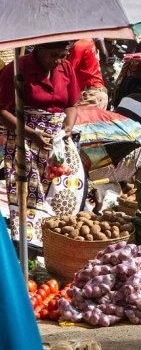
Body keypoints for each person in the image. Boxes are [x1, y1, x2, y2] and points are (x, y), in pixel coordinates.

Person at [0, 42, 87, 250]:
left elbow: (71, 105)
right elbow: (1, 111)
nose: (58, 60)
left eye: (63, 55)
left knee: (66, 187)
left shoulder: (65, 68)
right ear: (38, 49)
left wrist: (68, 126)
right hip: (25, 141)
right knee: (28, 193)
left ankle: (56, 242)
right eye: (53, 55)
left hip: (57, 142)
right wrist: (31, 134)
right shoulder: (16, 70)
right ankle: (29, 246)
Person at [67, 38, 108, 109]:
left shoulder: (80, 45)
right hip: (98, 92)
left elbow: (67, 71)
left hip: (91, 94)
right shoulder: (89, 41)